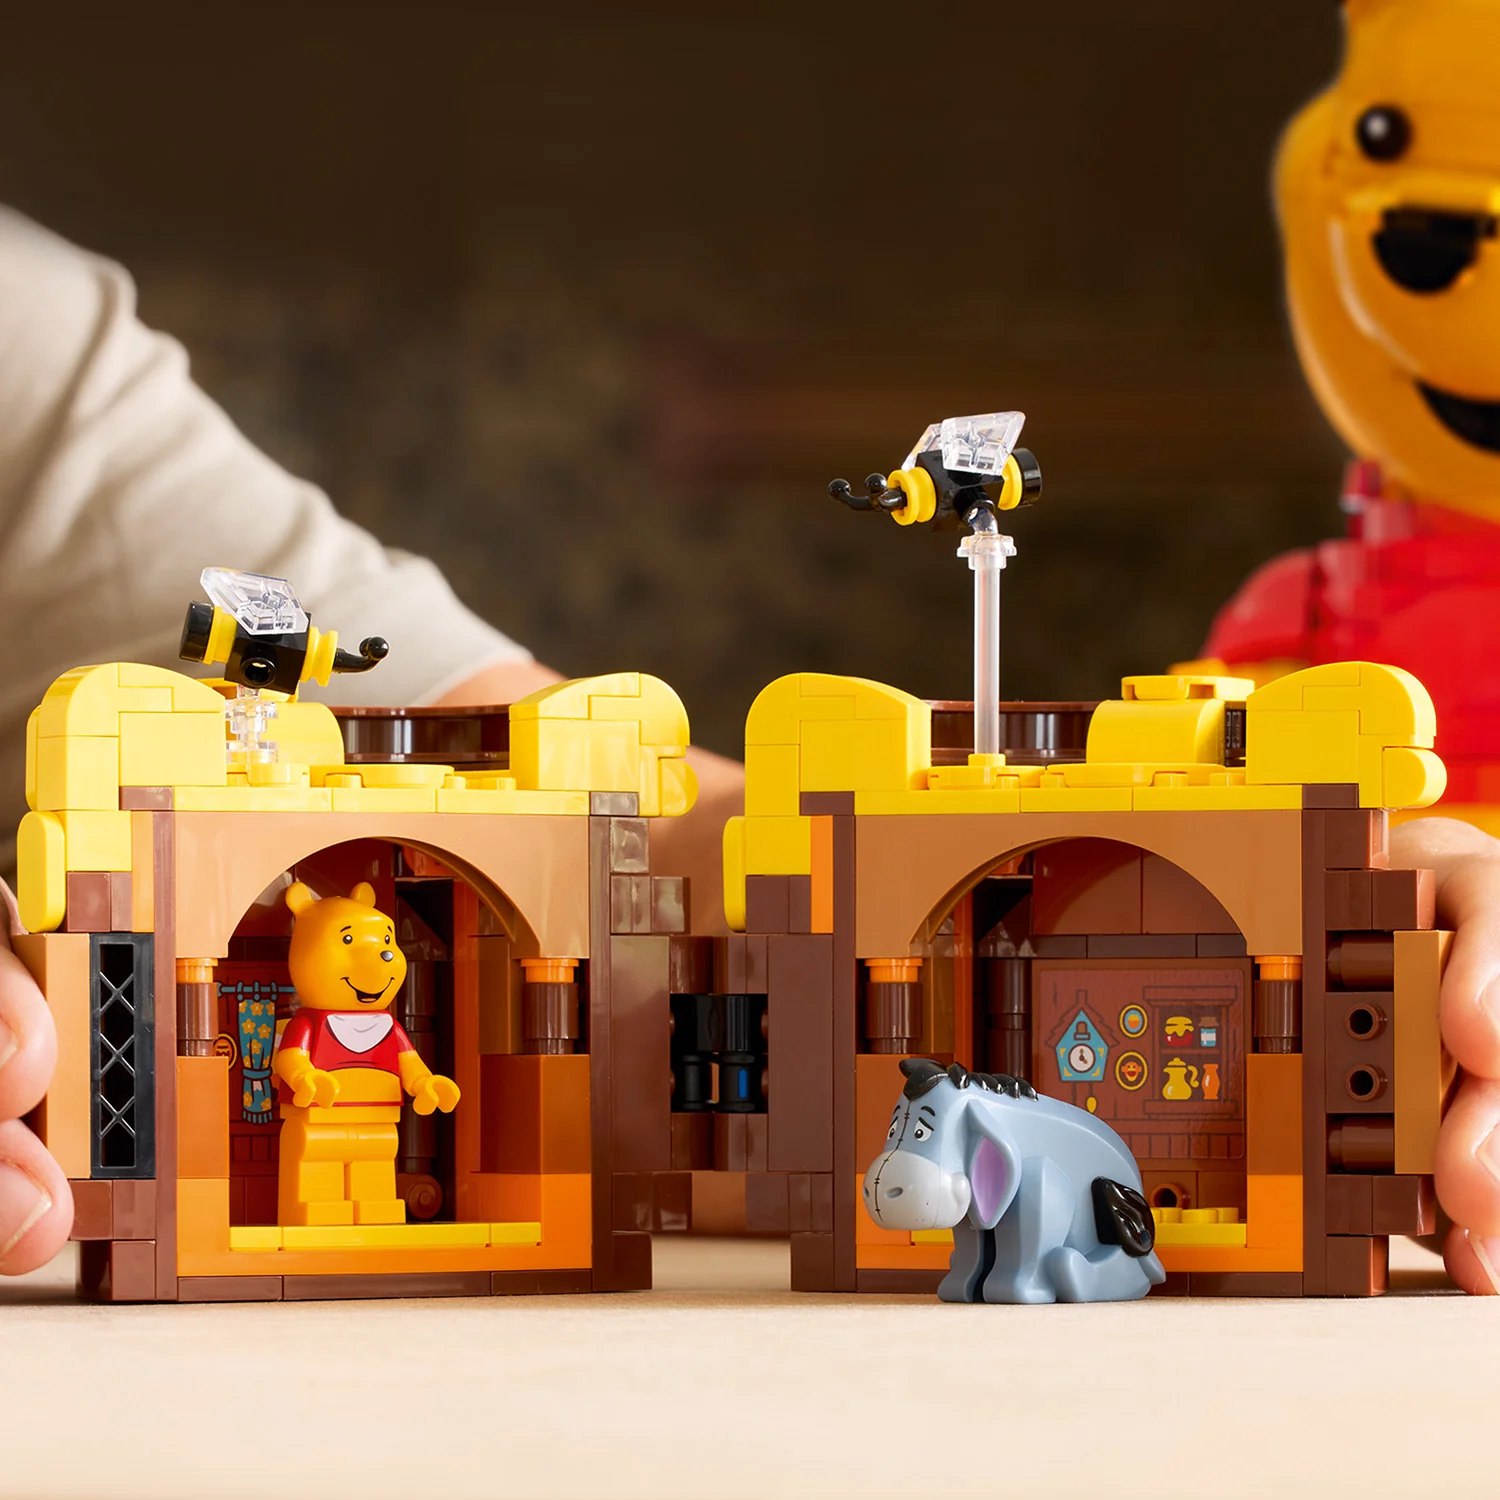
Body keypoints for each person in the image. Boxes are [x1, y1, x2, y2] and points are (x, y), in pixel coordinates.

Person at [0, 207, 739, 1276]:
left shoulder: (23, 333)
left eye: (382, 946)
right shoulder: (308, 1025)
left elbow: (644, 829)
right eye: (366, 946)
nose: (381, 960)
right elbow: (288, 1062)